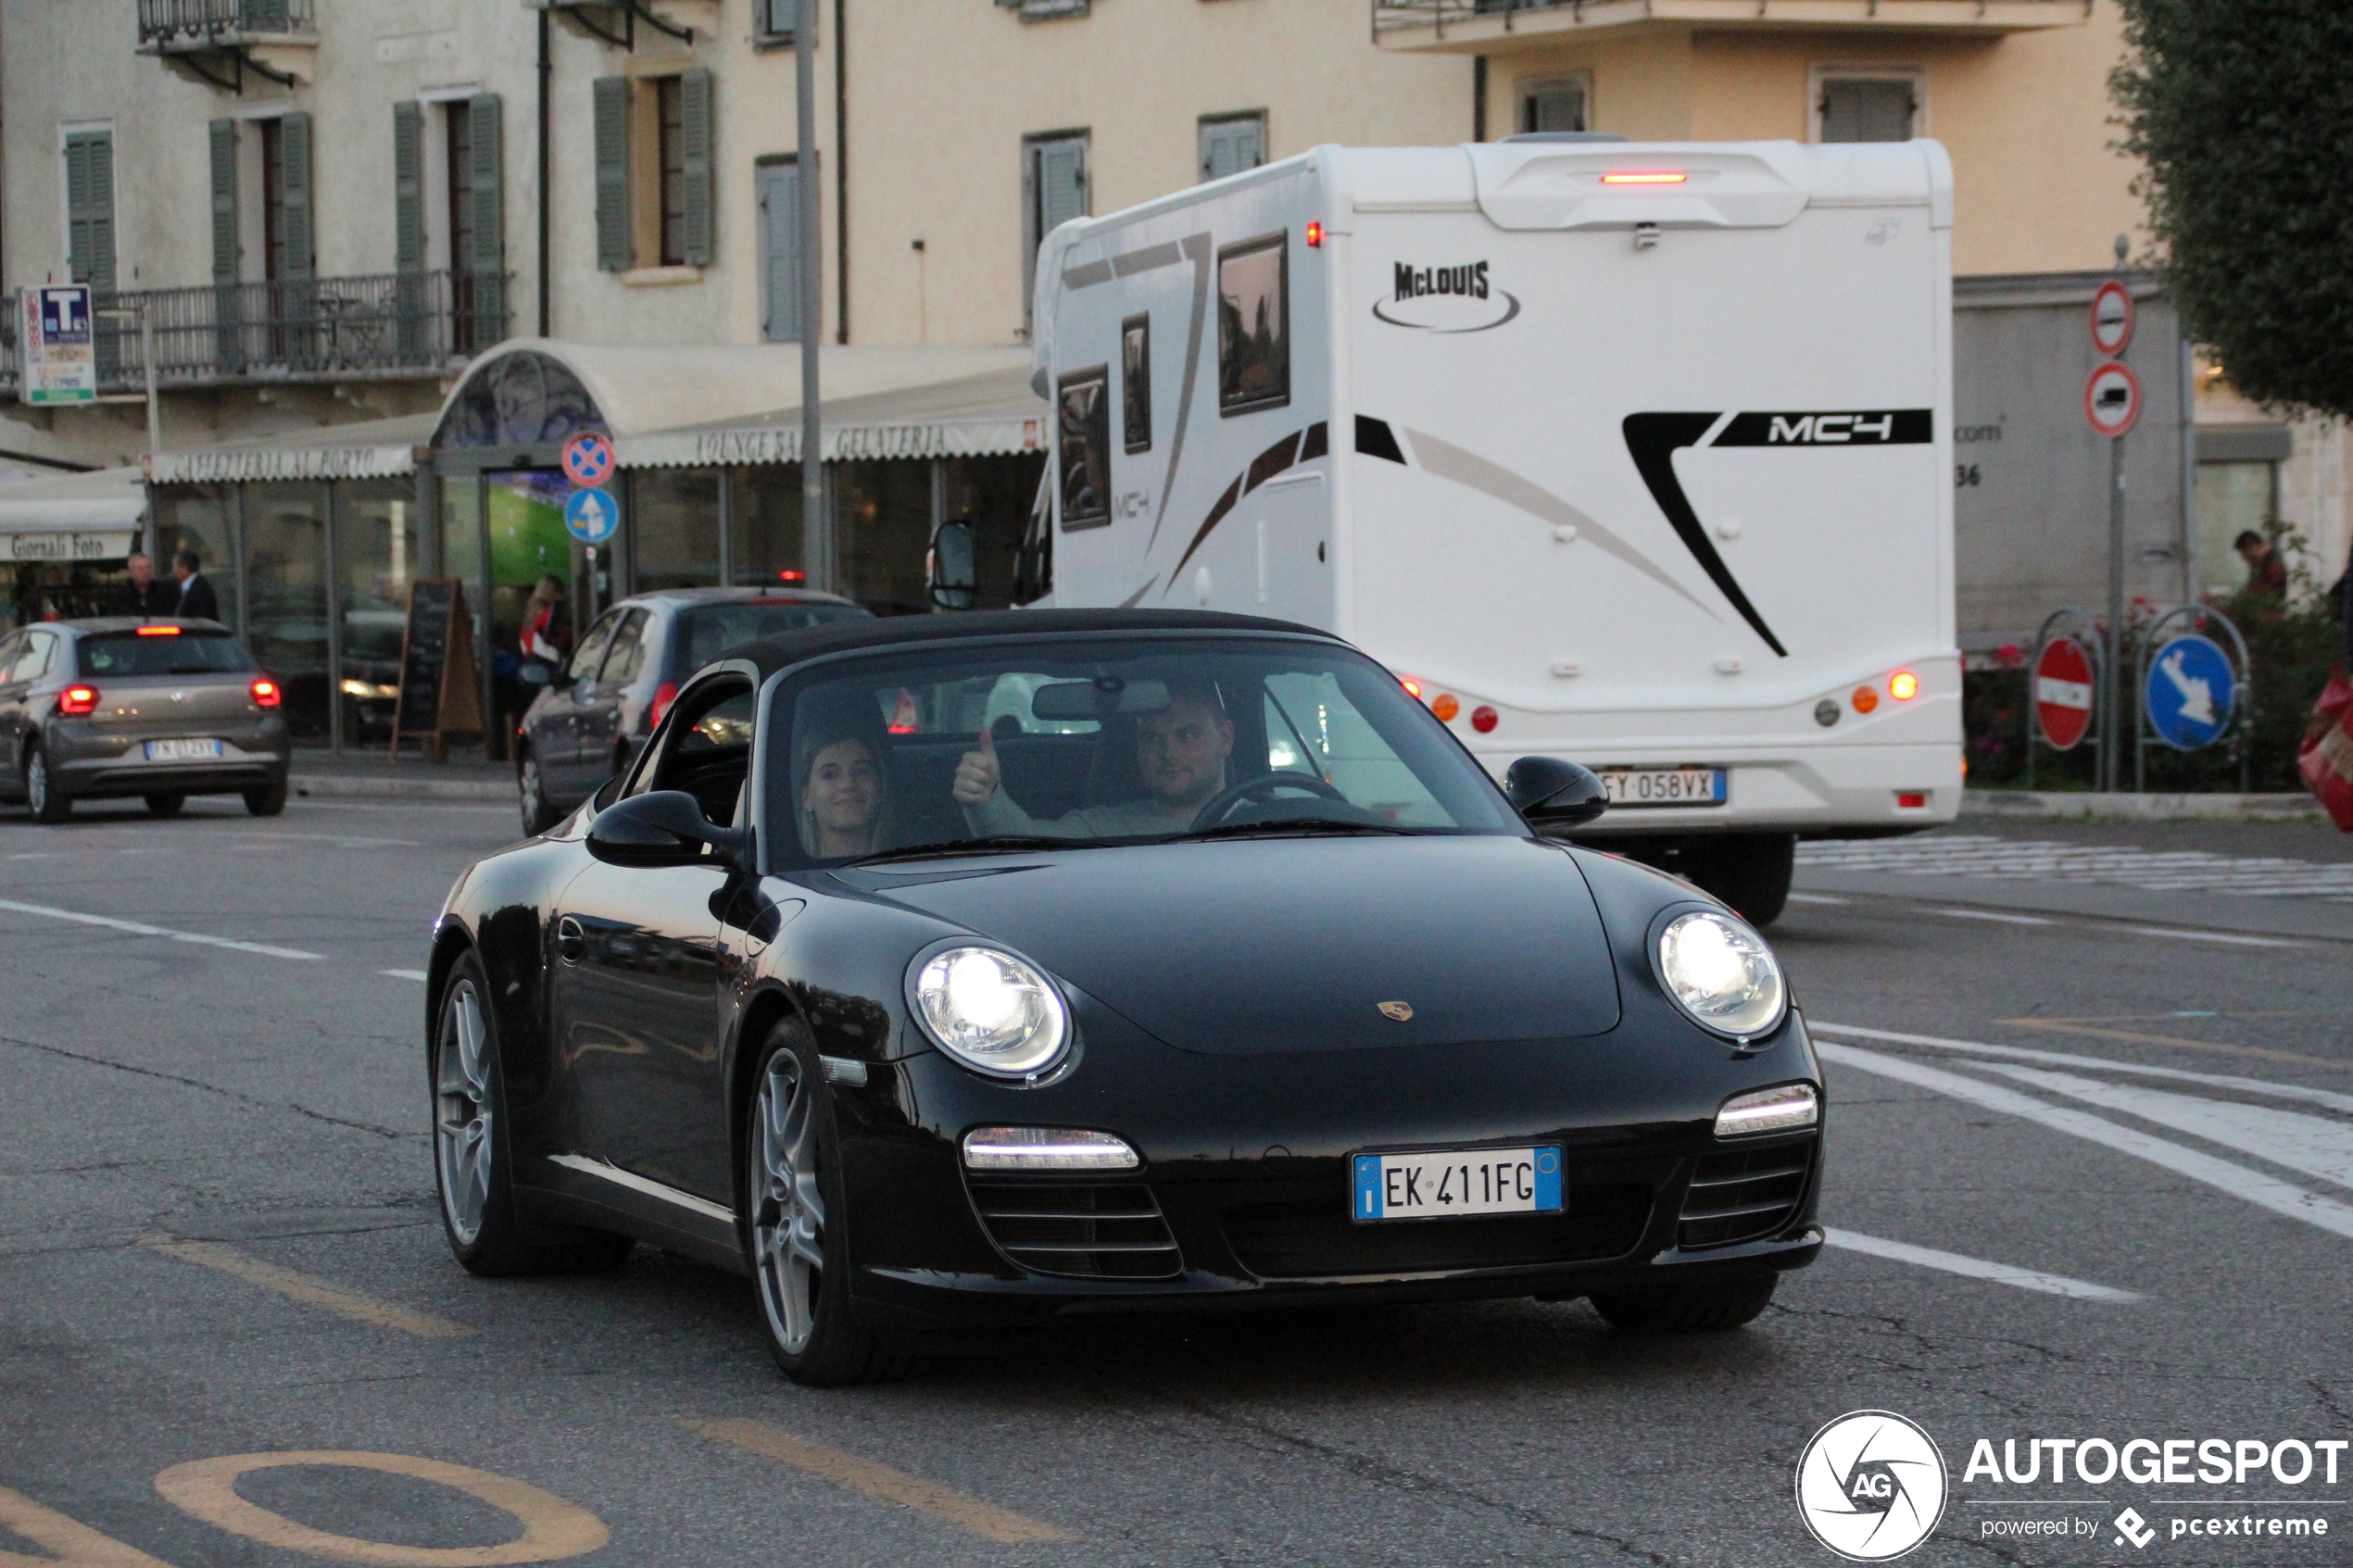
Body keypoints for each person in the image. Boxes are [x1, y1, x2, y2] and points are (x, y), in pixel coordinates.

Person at [953, 679, 1236, 838]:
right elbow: (1020, 842)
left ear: (1225, 738)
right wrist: (986, 796)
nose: (1169, 752)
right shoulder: (1105, 828)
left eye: (1186, 735)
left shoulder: (1272, 820)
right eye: (1151, 738)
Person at [796, 729, 887, 859]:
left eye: (861, 771)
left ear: (879, 789)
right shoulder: (786, 872)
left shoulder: (911, 863)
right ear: (806, 797)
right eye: (830, 774)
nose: (848, 784)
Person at [521, 575, 573, 667]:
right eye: (560, 593)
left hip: (530, 659)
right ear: (553, 592)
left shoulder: (531, 610)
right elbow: (559, 636)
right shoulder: (548, 613)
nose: (561, 596)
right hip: (546, 659)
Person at [104, 552, 177, 617]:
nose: (145, 572)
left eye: (148, 568)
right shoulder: (120, 597)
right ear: (130, 572)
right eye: (140, 569)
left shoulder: (165, 592)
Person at [170, 547, 220, 621]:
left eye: (174, 567)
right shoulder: (191, 587)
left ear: (184, 568)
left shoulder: (200, 589)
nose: (173, 571)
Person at [2234, 530, 2287, 598]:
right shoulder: (2258, 563)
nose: (2244, 558)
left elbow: (2270, 592)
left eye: (2245, 554)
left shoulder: (2274, 564)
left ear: (2253, 547)